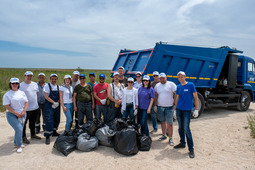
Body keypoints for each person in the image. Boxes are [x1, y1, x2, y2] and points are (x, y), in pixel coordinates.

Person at [174, 71, 199, 159]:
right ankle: (182, 143)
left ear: (185, 77)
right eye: (179, 77)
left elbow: (196, 97)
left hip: (187, 111)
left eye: (182, 77)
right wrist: (175, 109)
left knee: (186, 129)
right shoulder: (178, 86)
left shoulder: (191, 85)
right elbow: (176, 98)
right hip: (179, 110)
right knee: (180, 128)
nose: (180, 78)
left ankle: (191, 149)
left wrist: (196, 109)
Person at [3, 78, 28, 153]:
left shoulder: (22, 92)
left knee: (19, 129)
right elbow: (7, 106)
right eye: (13, 83)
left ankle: (15, 142)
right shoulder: (7, 94)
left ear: (18, 84)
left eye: (16, 83)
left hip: (22, 114)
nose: (15, 85)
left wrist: (23, 111)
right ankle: (19, 145)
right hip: (12, 115)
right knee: (19, 129)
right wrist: (16, 113)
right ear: (10, 84)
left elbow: (26, 102)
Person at [154, 72, 176, 146]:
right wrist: (155, 105)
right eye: (160, 78)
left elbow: (176, 94)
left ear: (166, 77)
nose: (162, 79)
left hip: (169, 107)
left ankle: (170, 138)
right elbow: (156, 96)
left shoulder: (171, 84)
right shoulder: (157, 85)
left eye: (163, 78)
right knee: (162, 122)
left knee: (170, 124)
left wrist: (175, 104)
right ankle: (164, 135)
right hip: (160, 107)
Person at [19, 71, 41, 144]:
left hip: (35, 107)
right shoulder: (21, 85)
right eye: (28, 76)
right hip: (25, 109)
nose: (29, 77)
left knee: (32, 123)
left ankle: (33, 134)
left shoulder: (35, 84)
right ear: (24, 76)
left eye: (31, 76)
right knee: (24, 124)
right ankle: (24, 137)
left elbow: (36, 93)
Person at [44, 74, 61, 145]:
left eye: (55, 79)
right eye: (52, 79)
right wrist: (53, 102)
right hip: (49, 105)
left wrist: (57, 102)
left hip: (57, 105)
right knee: (49, 119)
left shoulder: (58, 87)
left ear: (57, 79)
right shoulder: (47, 86)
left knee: (57, 118)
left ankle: (54, 131)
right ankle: (47, 136)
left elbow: (60, 96)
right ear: (50, 79)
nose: (54, 80)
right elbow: (46, 96)